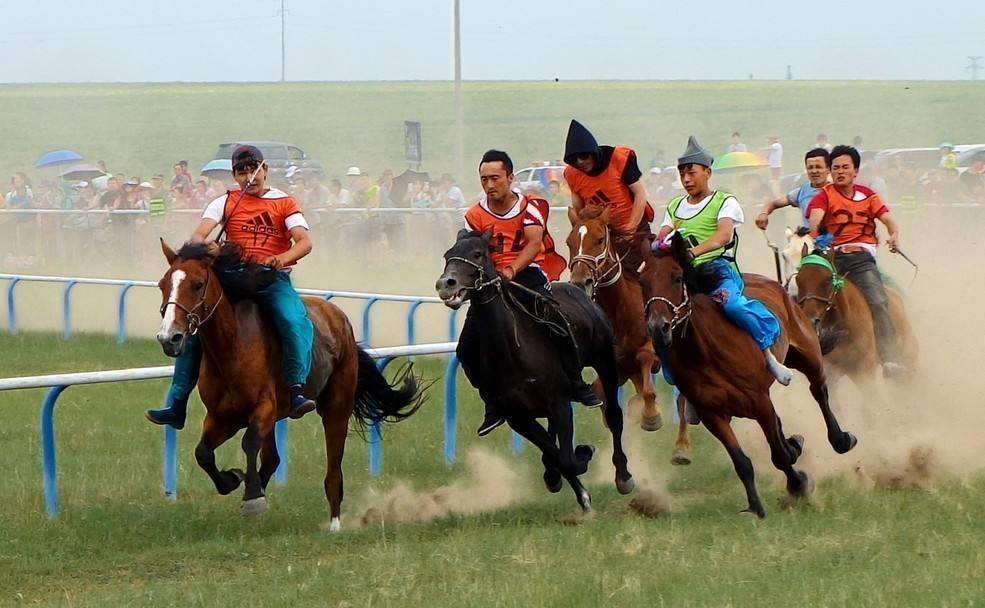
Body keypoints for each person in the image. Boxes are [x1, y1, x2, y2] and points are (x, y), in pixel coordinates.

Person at [146, 145, 317, 429]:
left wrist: (281, 259)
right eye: (241, 172)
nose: (248, 177)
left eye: (253, 170)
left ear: (265, 171)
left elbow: (304, 242)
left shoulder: (285, 203)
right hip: (234, 278)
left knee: (293, 321)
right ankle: (176, 404)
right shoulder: (224, 202)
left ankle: (296, 390)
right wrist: (206, 245)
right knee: (196, 329)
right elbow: (201, 232)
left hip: (271, 279)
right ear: (235, 176)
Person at [464, 149, 596, 435]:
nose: (489, 185)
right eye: (484, 179)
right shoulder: (473, 215)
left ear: (510, 178)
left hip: (527, 275)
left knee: (556, 322)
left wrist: (510, 271)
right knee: (466, 348)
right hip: (490, 284)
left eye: (495, 178)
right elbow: (471, 251)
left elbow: (534, 244)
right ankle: (492, 402)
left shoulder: (530, 206)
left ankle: (575, 382)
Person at [656, 136, 794, 385]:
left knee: (734, 307)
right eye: (682, 174)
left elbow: (723, 235)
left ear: (707, 172)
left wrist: (692, 253)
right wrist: (657, 246)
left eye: (691, 173)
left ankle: (769, 354)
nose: (686, 179)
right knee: (656, 316)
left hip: (716, 269)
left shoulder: (724, 201)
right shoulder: (675, 205)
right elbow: (663, 235)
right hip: (682, 277)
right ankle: (675, 374)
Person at [806, 145, 904, 378]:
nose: (840, 172)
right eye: (836, 167)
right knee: (805, 295)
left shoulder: (868, 195)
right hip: (831, 257)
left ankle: (889, 357)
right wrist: (813, 233)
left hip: (861, 260)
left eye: (845, 167)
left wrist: (894, 235)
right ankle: (805, 350)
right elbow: (816, 218)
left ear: (855, 170)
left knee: (879, 301)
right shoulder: (824, 196)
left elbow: (888, 219)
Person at [562, 119, 655, 279]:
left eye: (584, 156)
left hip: (633, 229)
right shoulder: (572, 174)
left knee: (646, 272)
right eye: (574, 159)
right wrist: (586, 213)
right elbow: (578, 211)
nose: (580, 162)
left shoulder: (620, 159)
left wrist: (631, 228)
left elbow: (640, 194)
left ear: (593, 152)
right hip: (600, 236)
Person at [756, 148, 831, 230]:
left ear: (828, 169)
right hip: (809, 240)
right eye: (810, 167)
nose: (814, 171)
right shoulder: (802, 192)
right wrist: (763, 213)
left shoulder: (837, 191)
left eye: (818, 167)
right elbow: (773, 204)